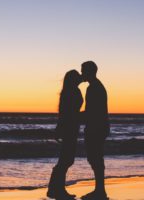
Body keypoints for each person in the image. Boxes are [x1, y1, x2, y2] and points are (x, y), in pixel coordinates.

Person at [47, 70, 83, 199]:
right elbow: (68, 113)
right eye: (77, 76)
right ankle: (57, 190)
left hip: (69, 127)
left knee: (65, 159)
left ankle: (54, 189)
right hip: (70, 128)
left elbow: (64, 112)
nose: (80, 77)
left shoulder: (68, 91)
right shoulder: (72, 91)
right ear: (73, 79)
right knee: (66, 160)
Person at [81, 61, 109, 200]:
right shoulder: (96, 86)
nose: (81, 74)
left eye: (83, 71)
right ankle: (100, 190)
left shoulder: (94, 88)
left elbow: (91, 111)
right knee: (96, 158)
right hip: (100, 126)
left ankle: (100, 191)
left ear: (89, 72)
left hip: (96, 127)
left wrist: (73, 116)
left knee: (95, 158)